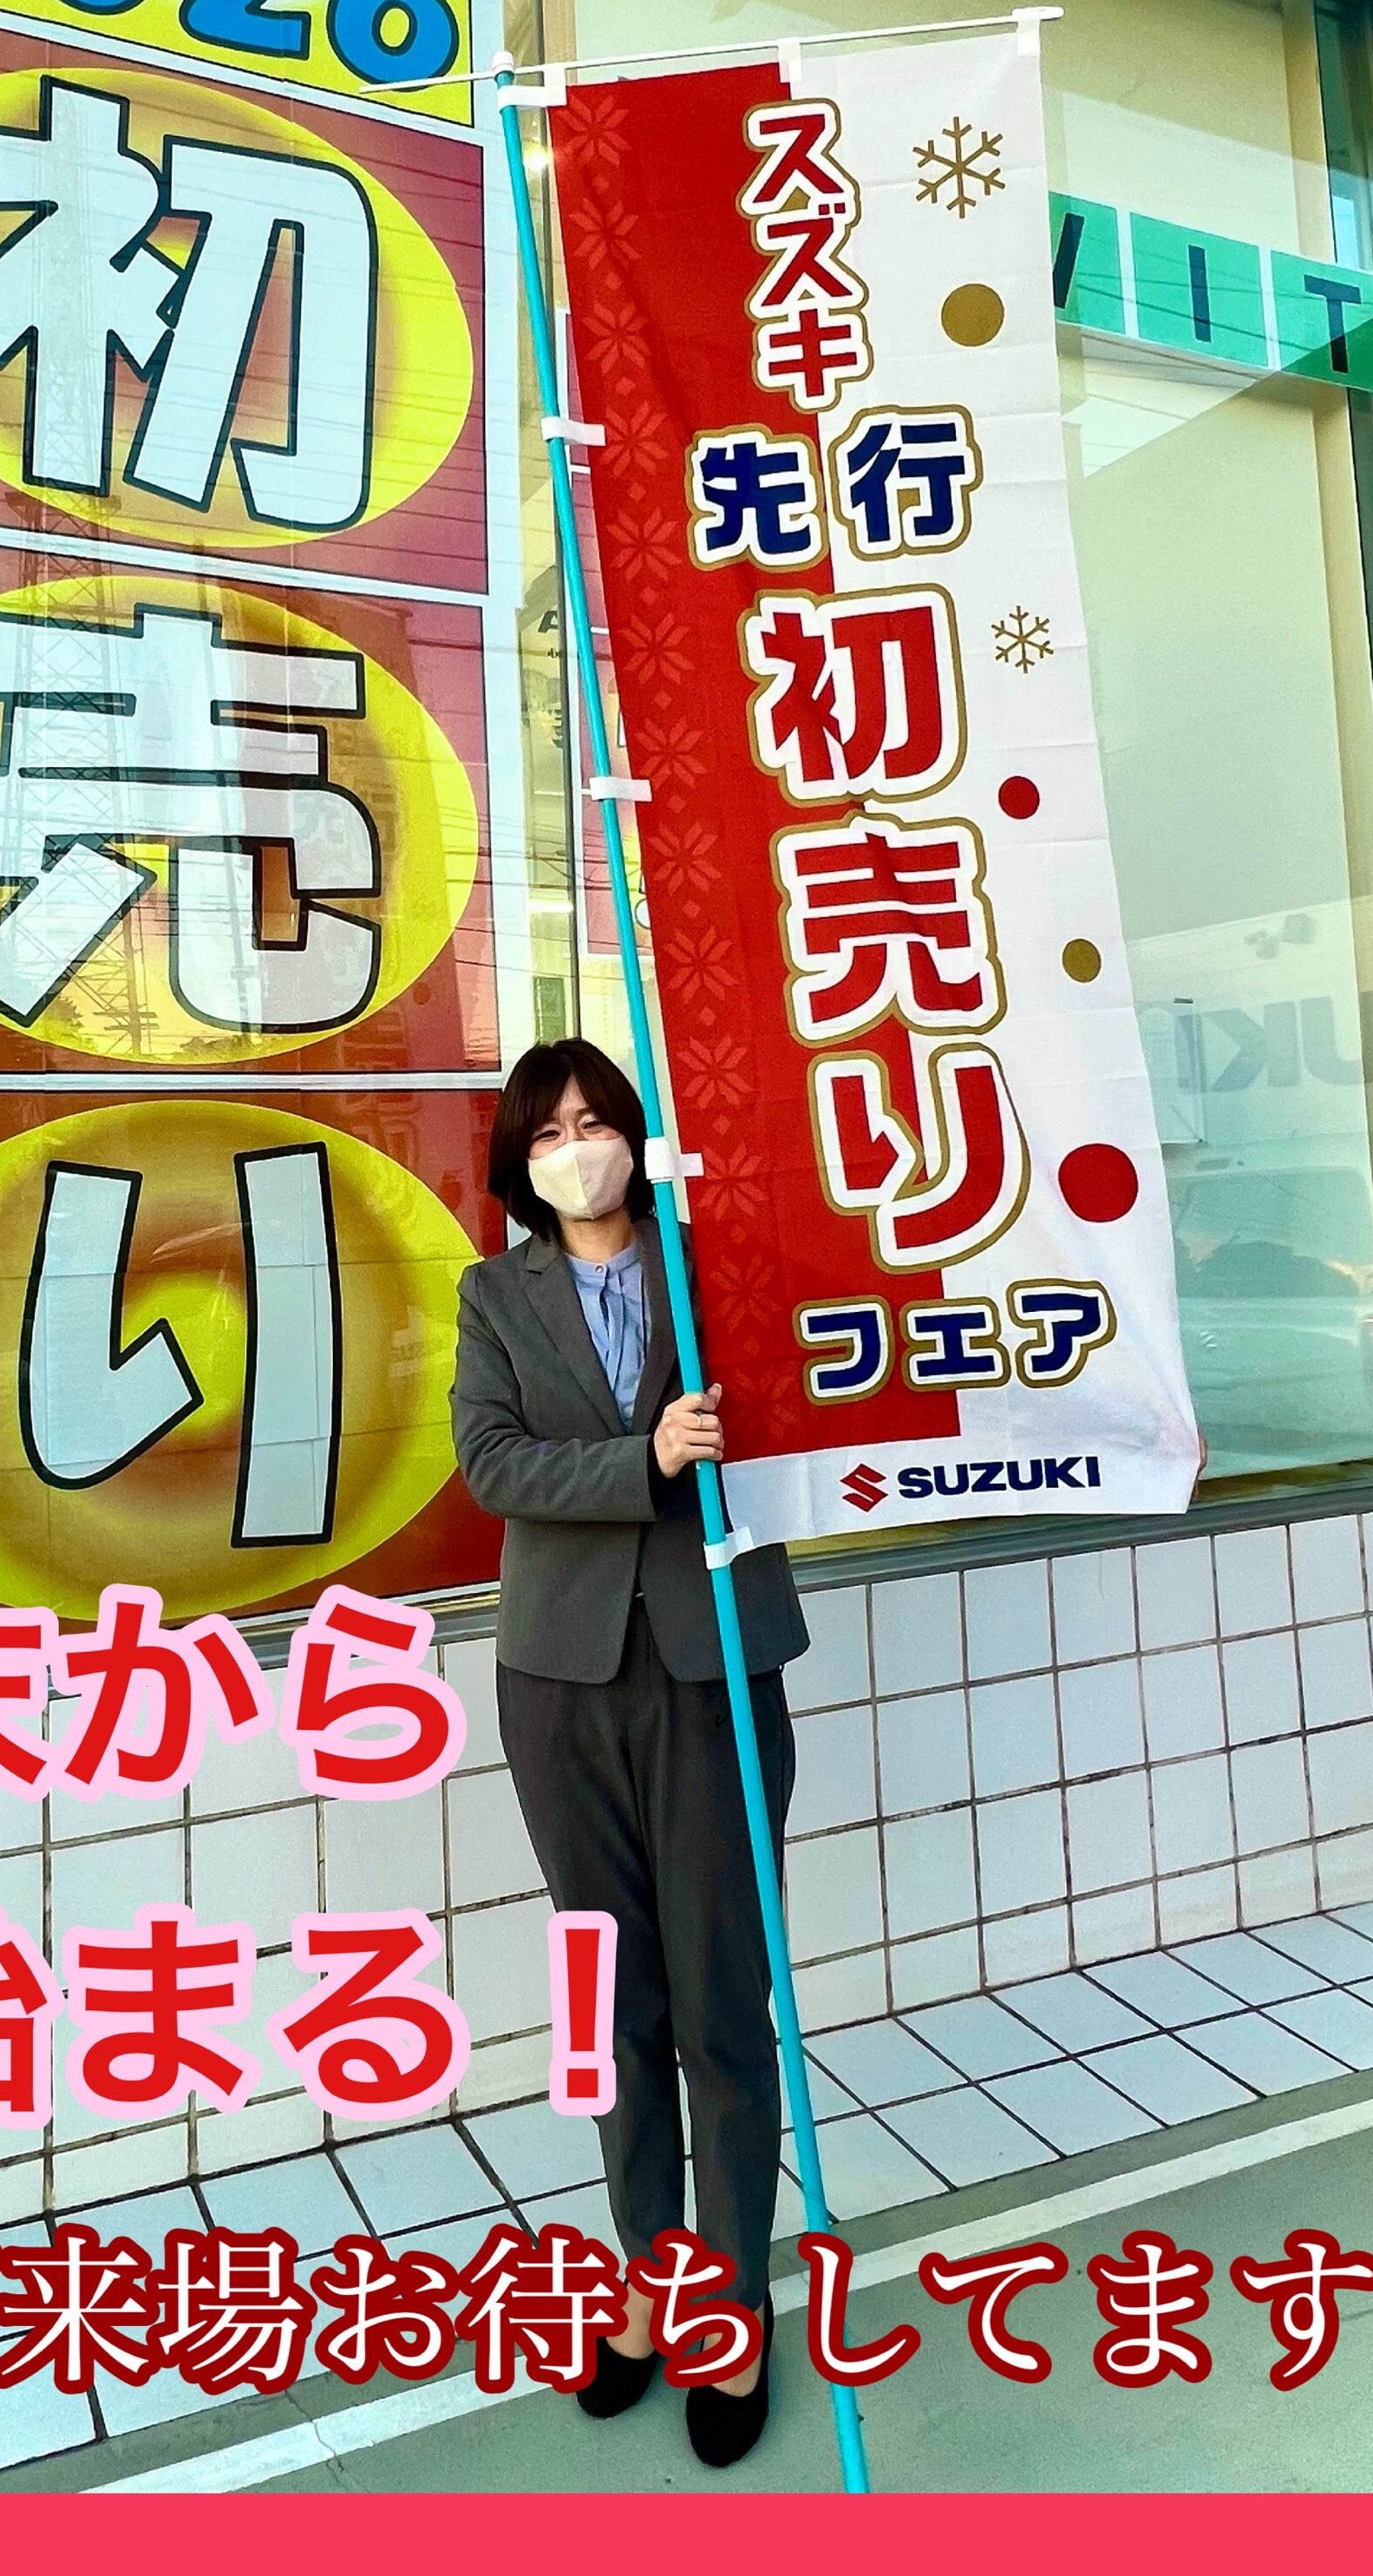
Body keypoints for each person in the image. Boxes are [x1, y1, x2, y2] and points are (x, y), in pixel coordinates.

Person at [449, 1037, 810, 2468]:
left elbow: (806, 1405)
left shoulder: (722, 1268)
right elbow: (492, 1462)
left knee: (721, 2000)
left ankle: (735, 2302)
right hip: (560, 1678)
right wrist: (644, 1458)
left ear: (638, 1135)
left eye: (597, 1120)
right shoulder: (495, 1295)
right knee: (616, 2006)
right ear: (519, 1159)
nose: (576, 1149)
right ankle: (650, 2276)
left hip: (715, 1657)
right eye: (549, 1131)